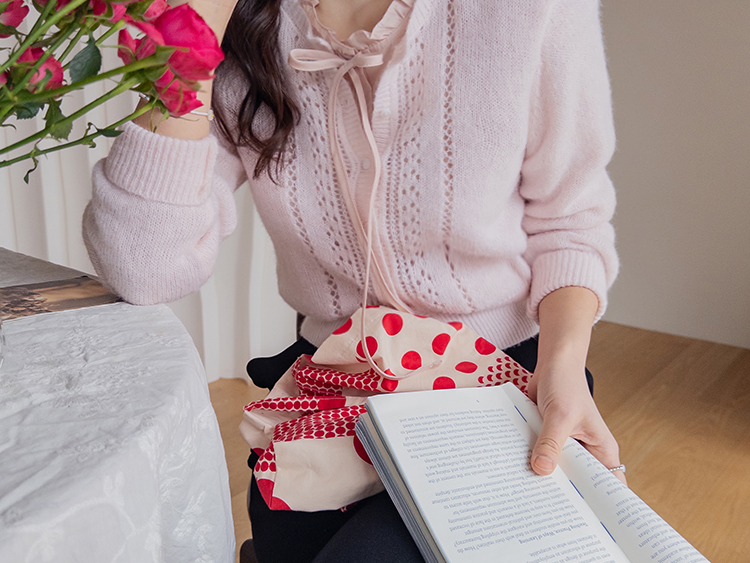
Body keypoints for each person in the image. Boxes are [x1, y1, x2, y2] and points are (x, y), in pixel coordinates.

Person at [83, 0, 625, 560]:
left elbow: (570, 221)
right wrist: (188, 45)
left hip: (501, 381)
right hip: (332, 386)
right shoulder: (238, 31)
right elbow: (143, 268)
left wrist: (562, 369)